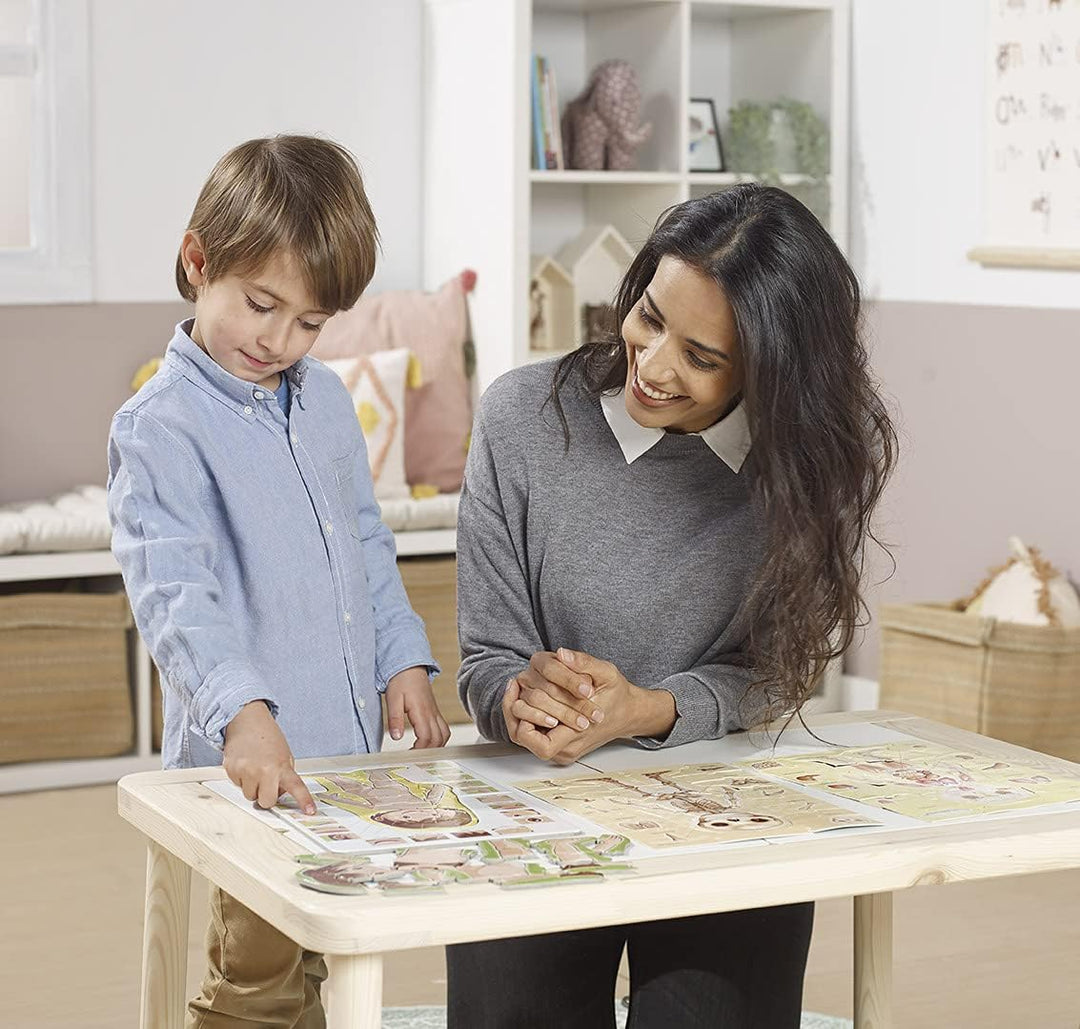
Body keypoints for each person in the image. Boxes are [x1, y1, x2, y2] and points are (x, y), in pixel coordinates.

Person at [451, 184, 896, 1028]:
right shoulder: (522, 417)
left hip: (724, 801)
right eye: (648, 317)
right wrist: (519, 697)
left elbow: (779, 673)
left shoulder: (799, 464)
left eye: (701, 356)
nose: (653, 365)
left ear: (769, 370)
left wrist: (647, 709)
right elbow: (486, 659)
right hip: (543, 801)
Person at [107, 135, 452, 1028]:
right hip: (246, 764)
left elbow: (365, 540)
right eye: (262, 306)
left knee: (321, 960)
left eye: (309, 322)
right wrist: (242, 712)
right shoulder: (159, 427)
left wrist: (401, 659)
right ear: (198, 261)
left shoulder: (326, 399)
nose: (280, 340)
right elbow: (173, 593)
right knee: (255, 978)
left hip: (340, 755)